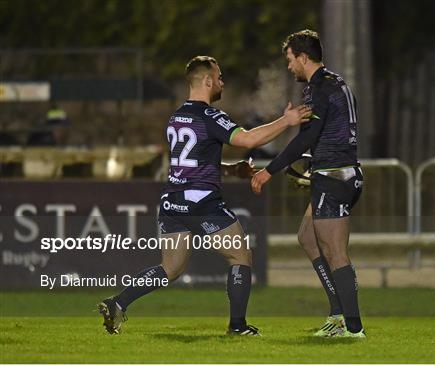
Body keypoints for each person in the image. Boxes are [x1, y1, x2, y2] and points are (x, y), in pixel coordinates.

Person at [98, 56, 311, 336]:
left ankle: (118, 303)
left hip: (172, 202)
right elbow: (247, 139)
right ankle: (238, 326)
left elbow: (190, 164)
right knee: (240, 256)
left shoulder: (177, 117)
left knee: (170, 268)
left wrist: (231, 169)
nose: (222, 82)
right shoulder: (209, 116)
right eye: (220, 76)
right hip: (201, 202)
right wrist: (287, 120)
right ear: (208, 81)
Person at [251, 30, 366, 338]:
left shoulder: (319, 89)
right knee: (307, 237)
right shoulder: (336, 83)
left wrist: (269, 171)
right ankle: (338, 313)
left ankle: (352, 327)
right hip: (339, 173)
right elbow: (327, 134)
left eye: (290, 60)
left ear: (303, 57)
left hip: (334, 176)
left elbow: (308, 137)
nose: (289, 67)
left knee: (336, 252)